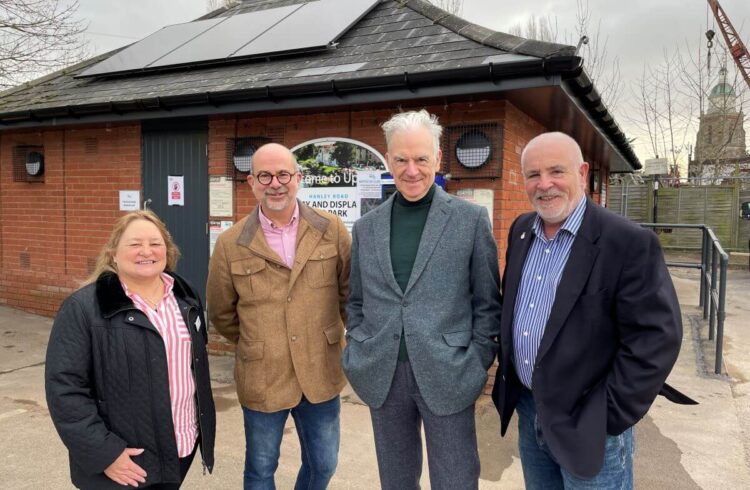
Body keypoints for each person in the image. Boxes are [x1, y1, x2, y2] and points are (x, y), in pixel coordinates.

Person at [491, 132, 695, 489]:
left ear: (582, 174)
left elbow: (656, 339)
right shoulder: (522, 230)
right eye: (533, 175)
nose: (545, 184)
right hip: (529, 409)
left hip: (589, 424)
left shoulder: (627, 242)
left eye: (557, 171)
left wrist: (606, 415)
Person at [342, 109, 502, 490]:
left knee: (455, 480)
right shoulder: (367, 227)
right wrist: (359, 348)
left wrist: (477, 361)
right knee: (395, 480)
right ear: (388, 159)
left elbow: (487, 302)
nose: (411, 170)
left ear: (438, 159)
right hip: (383, 372)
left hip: (450, 371)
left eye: (420, 159)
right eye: (401, 159)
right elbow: (357, 301)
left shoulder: (470, 220)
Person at [206, 143, 351, 490]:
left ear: (298, 178)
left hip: (321, 370)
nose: (276, 183)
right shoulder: (230, 244)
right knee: (260, 469)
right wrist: (261, 341)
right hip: (263, 375)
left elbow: (349, 294)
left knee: (324, 463)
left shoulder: (331, 229)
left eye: (283, 174)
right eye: (265, 175)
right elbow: (221, 311)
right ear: (252, 182)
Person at [45, 210, 216, 489]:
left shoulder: (186, 298)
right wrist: (105, 454)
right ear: (113, 253)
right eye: (135, 244)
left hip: (180, 447)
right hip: (123, 461)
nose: (146, 251)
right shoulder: (84, 308)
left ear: (167, 251)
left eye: (155, 243)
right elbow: (65, 389)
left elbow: (193, 367)